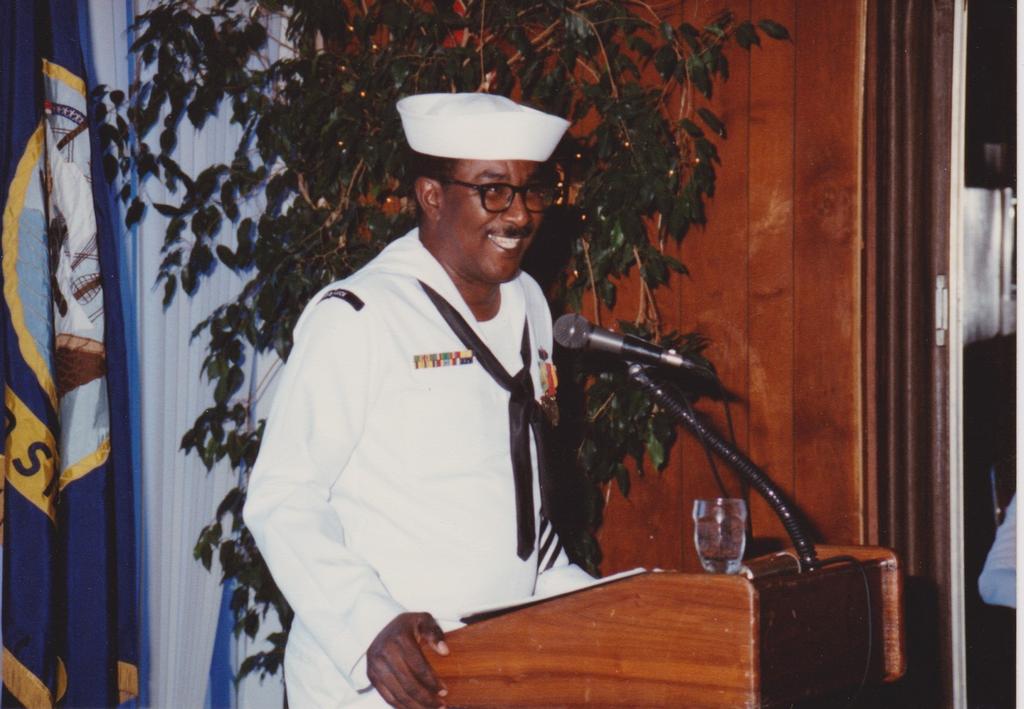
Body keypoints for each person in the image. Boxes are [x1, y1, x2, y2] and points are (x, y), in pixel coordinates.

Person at [243, 93, 595, 709]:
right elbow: (282, 497)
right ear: (432, 196)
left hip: (498, 664)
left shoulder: (531, 305)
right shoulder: (360, 316)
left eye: (530, 189)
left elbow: (518, 509)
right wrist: (368, 628)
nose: (518, 216)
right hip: (387, 681)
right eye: (493, 190)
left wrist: (611, 608)